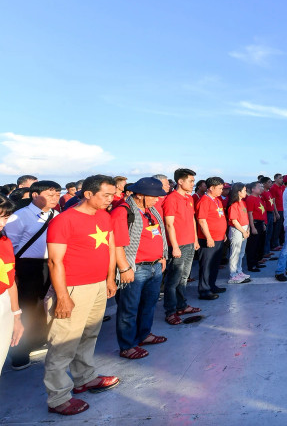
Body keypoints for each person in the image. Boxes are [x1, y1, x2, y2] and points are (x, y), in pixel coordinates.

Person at [44, 174, 119, 416]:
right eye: (106, 195)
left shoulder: (104, 216)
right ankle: (58, 397)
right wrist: (63, 297)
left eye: (113, 194)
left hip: (97, 285)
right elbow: (54, 262)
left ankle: (84, 378)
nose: (111, 199)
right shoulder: (64, 220)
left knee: (89, 335)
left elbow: (109, 248)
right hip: (73, 288)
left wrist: (109, 278)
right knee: (63, 343)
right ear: (88, 194)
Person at [5, 180, 61, 370]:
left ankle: (37, 341)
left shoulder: (56, 215)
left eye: (57, 194)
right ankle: (19, 353)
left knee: (43, 305)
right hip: (26, 266)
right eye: (50, 195)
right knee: (26, 308)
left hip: (49, 265)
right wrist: (14, 272)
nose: (55, 198)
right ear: (35, 195)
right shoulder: (19, 216)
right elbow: (10, 246)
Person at [111, 178, 169, 360]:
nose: (157, 200)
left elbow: (158, 235)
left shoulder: (151, 211)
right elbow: (117, 244)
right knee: (129, 308)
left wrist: (162, 256)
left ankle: (144, 334)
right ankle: (127, 345)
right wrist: (124, 268)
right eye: (154, 196)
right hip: (135, 268)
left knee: (149, 304)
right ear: (140, 195)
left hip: (154, 266)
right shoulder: (123, 212)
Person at [162, 168, 201, 325]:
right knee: (173, 280)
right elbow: (169, 224)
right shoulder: (171, 199)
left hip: (189, 243)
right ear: (180, 181)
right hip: (178, 245)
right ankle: (170, 311)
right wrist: (175, 246)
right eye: (190, 181)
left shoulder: (189, 198)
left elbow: (192, 219)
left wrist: (195, 239)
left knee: (184, 277)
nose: (193, 184)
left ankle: (182, 305)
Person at [0, 194, 25, 376]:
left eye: (6, 218)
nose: (2, 223)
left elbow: (10, 281)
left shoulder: (5, 242)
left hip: (4, 306)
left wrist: (16, 317)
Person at [195, 177, 228, 300]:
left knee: (215, 264)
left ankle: (212, 285)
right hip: (208, 239)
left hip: (219, 238)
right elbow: (202, 221)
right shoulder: (204, 201)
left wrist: (223, 233)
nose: (221, 190)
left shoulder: (217, 200)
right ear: (212, 188)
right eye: (219, 188)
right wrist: (208, 237)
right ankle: (204, 290)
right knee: (206, 265)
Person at [226, 183, 252, 284]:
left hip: (244, 229)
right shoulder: (234, 205)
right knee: (235, 253)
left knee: (241, 252)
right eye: (244, 190)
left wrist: (248, 229)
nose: (246, 192)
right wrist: (243, 231)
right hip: (237, 230)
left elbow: (246, 217)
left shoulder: (243, 203)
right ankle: (233, 275)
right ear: (238, 192)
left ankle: (239, 271)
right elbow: (234, 221)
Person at [244, 181, 266, 272]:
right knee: (252, 246)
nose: (261, 188)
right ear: (253, 189)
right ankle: (251, 265)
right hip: (255, 224)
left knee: (259, 245)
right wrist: (252, 227)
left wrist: (263, 224)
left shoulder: (259, 198)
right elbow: (250, 214)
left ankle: (256, 262)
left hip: (260, 223)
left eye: (262, 186)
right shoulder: (250, 199)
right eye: (259, 187)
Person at [260, 177, 278, 260]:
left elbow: (272, 204)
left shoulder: (269, 192)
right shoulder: (263, 193)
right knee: (266, 233)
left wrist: (274, 214)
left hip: (270, 213)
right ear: (264, 184)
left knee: (270, 232)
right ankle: (264, 251)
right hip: (266, 214)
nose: (271, 184)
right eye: (269, 182)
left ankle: (267, 250)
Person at [270, 174, 286, 249]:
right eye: (280, 178)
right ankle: (274, 244)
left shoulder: (282, 187)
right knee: (277, 228)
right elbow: (273, 202)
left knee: (281, 227)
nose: (282, 179)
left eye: (282, 178)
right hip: (278, 210)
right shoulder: (273, 188)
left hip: (283, 209)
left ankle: (281, 242)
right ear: (275, 179)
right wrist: (276, 213)